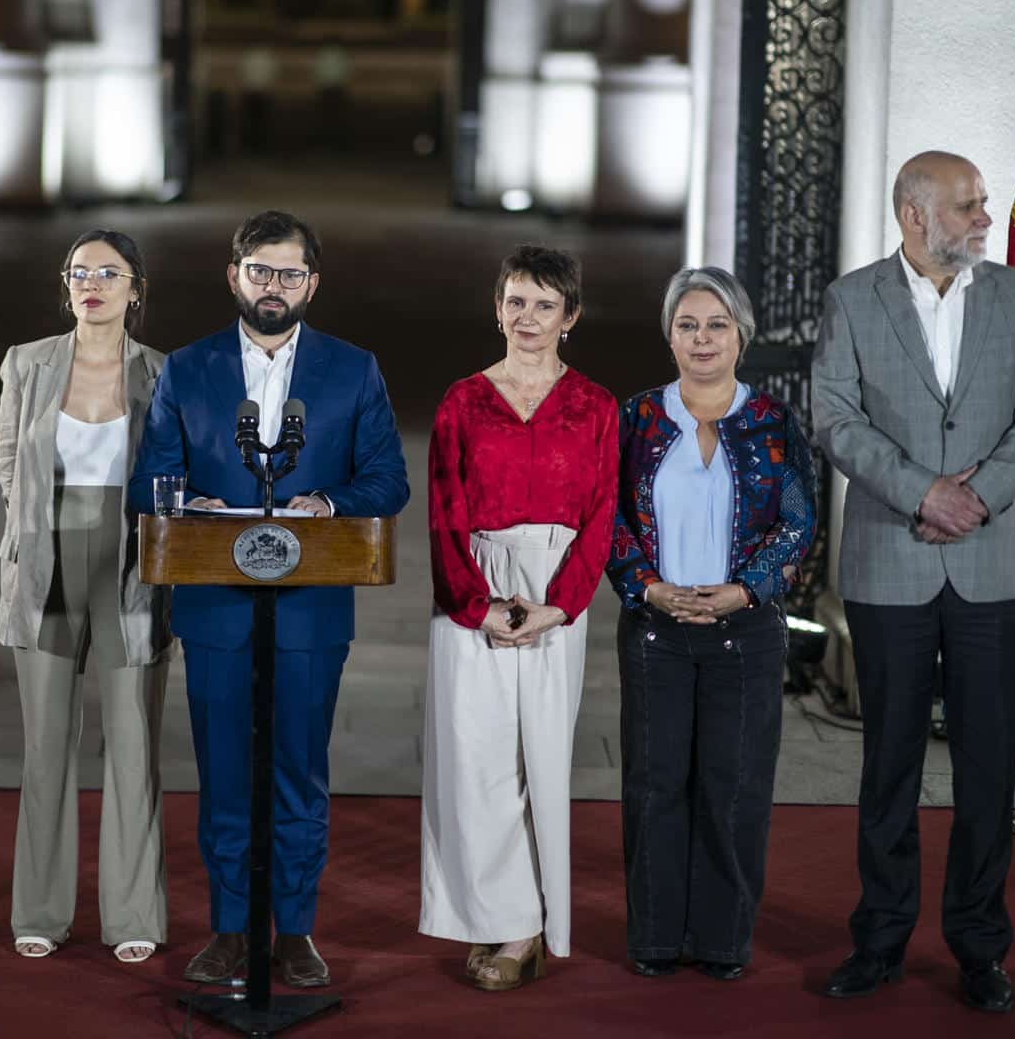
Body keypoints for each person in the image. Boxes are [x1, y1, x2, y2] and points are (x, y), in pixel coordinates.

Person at [812, 151, 1015, 1014]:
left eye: (983, 204)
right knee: (889, 765)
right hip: (892, 565)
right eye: (969, 206)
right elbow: (833, 416)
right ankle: (879, 940)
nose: (985, 218)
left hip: (989, 564)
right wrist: (922, 492)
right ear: (916, 216)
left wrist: (976, 498)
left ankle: (980, 948)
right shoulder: (853, 300)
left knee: (991, 766)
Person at [131, 210, 410, 989]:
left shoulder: (353, 370)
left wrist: (323, 506)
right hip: (216, 605)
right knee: (223, 771)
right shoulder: (187, 370)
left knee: (297, 770)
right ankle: (228, 927)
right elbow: (150, 481)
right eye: (261, 270)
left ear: (312, 284)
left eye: (290, 273)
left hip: (312, 609)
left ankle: (294, 930)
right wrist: (192, 506)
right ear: (234, 276)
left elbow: (389, 481)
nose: (274, 286)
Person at [607, 267, 818, 982]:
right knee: (655, 785)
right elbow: (608, 520)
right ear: (669, 335)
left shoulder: (773, 420)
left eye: (716, 325)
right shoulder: (635, 418)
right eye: (688, 325)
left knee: (733, 787)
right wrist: (652, 589)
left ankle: (725, 941)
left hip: (744, 634)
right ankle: (656, 938)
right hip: (656, 633)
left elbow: (799, 523)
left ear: (742, 336)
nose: (702, 339)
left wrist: (744, 591)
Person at [420, 245, 620, 991]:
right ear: (495, 307)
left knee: (539, 762)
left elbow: (602, 516)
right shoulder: (462, 401)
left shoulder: (596, 406)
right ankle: (510, 924)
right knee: (475, 766)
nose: (526, 317)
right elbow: (443, 513)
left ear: (570, 317)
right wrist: (478, 605)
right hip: (475, 593)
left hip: (554, 599)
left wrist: (560, 605)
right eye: (514, 301)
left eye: (544, 304)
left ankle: (532, 919)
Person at [0, 229, 170, 965]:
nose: (90, 283)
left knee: (132, 745)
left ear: (136, 288)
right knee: (46, 746)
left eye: (108, 272)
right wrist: (33, 531)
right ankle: (39, 909)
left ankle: (133, 914)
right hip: (46, 558)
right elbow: (10, 457)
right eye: (78, 271)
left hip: (132, 562)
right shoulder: (28, 362)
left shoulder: (162, 371)